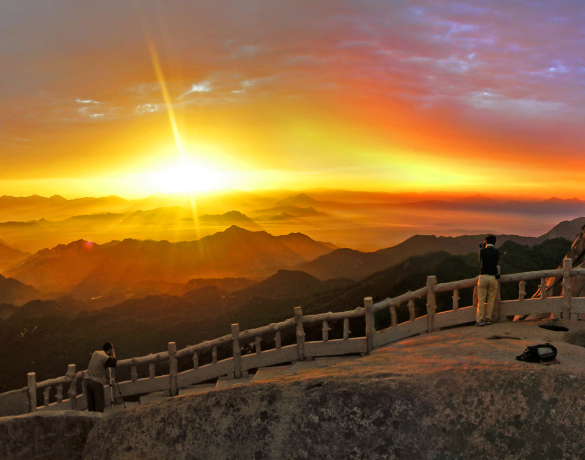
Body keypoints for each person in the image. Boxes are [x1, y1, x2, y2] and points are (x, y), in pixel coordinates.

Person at [83, 342, 117, 412]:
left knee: (91, 406)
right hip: (96, 382)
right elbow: (114, 363)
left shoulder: (95, 353)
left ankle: (91, 421)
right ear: (110, 349)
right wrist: (113, 353)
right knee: (99, 405)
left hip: (87, 380)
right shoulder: (106, 358)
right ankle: (99, 421)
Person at [476, 234, 500, 327]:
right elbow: (495, 260)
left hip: (483, 277)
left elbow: (480, 262)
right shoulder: (497, 252)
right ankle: (489, 319)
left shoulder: (482, 251)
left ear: (485, 241)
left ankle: (480, 320)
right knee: (491, 300)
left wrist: (483, 247)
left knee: (481, 300)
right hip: (493, 277)